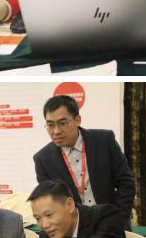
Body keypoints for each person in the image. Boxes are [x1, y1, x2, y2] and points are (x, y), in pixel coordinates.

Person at [32, 94, 136, 227]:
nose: (56, 131)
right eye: (50, 125)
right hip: (75, 229)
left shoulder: (104, 140)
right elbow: (51, 202)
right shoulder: (43, 159)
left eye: (62, 123)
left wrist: (118, 218)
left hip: (114, 223)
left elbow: (126, 184)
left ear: (77, 120)